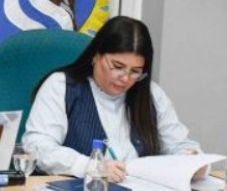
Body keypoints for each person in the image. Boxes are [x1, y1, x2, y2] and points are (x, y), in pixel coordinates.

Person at [23, 15, 204, 182]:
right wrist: (90, 166)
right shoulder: (62, 86)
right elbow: (38, 147)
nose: (125, 78)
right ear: (96, 55)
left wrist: (193, 162)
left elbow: (179, 143)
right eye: (117, 67)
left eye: (135, 71)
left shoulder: (151, 94)